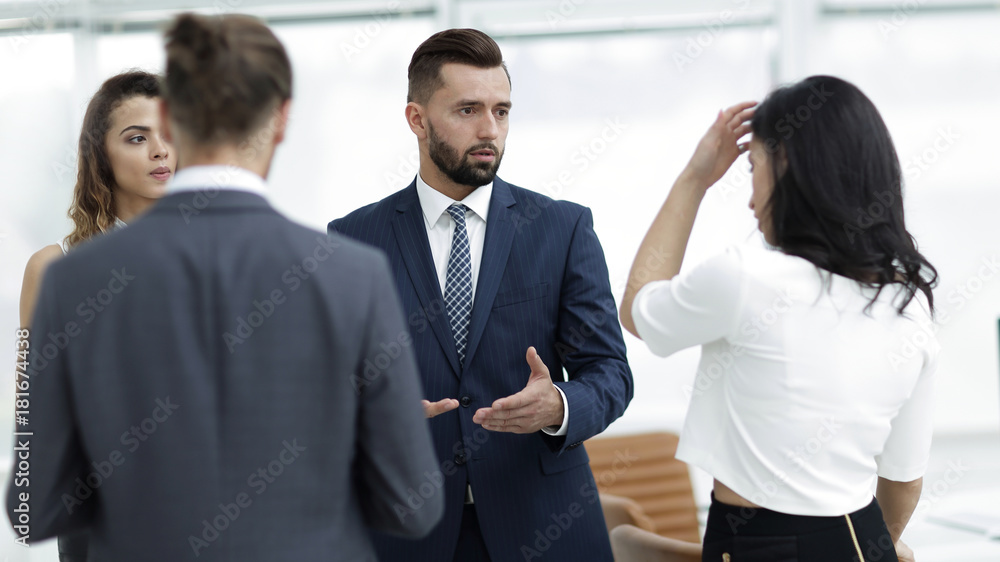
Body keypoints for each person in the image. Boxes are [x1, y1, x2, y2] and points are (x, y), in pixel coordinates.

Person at [7, 13, 442, 561]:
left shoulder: (71, 281)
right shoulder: (353, 273)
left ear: (171, 114)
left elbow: (33, 503)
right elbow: (413, 504)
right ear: (282, 119)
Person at [330, 28, 633, 561]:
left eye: (502, 110)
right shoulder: (352, 240)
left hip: (544, 524)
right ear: (417, 120)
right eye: (468, 110)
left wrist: (558, 404)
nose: (489, 129)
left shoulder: (562, 228)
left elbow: (611, 373)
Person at [620, 76, 938, 562]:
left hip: (765, 543)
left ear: (786, 163)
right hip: (864, 536)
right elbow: (904, 481)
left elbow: (640, 308)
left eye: (753, 168)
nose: (751, 201)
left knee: (620, 545)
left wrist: (695, 178)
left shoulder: (745, 275)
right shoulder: (906, 300)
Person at [16, 69, 175, 562]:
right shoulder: (53, 267)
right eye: (136, 137)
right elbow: (31, 412)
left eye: (170, 133)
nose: (159, 150)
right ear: (100, 154)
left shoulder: (223, 260)